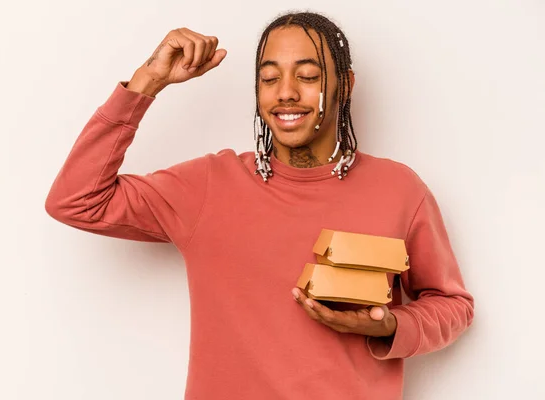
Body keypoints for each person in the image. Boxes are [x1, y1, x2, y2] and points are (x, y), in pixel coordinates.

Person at [45, 11, 474, 400]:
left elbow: (452, 304)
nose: (285, 94)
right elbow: (77, 200)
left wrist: (391, 326)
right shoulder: (209, 185)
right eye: (269, 79)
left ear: (345, 84)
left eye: (307, 76)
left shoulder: (398, 188)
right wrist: (146, 83)